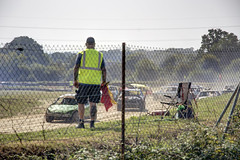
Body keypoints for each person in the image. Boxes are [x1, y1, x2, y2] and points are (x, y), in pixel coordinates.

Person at [74, 37, 106, 129]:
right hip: (95, 83)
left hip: (83, 83)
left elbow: (76, 67)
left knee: (81, 102)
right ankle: (92, 123)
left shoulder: (81, 54)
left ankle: (81, 122)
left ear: (86, 44)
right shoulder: (100, 55)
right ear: (94, 44)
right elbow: (103, 69)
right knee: (93, 103)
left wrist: (75, 80)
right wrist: (103, 81)